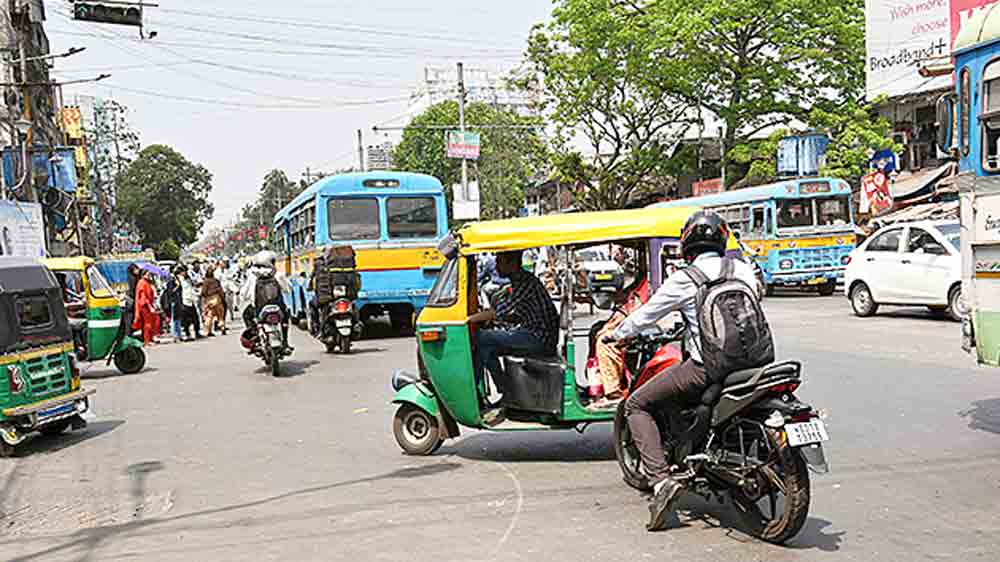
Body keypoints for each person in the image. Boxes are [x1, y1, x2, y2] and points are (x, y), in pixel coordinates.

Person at [609, 210, 759, 532]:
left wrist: (618, 334)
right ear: (721, 240)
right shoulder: (743, 270)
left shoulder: (686, 278)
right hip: (754, 363)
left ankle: (662, 483)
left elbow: (647, 314)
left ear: (687, 243)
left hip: (707, 369)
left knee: (636, 404)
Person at [468, 250, 560, 425]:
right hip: (536, 332)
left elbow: (498, 311)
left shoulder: (524, 282)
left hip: (539, 338)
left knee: (484, 339)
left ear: (511, 263)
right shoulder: (519, 281)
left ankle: (501, 391)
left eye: (500, 261)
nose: (495, 266)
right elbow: (515, 312)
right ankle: (506, 393)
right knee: (488, 345)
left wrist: (468, 319)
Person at [588, 275, 650, 408]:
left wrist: (610, 329)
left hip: (636, 326)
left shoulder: (648, 283)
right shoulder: (638, 282)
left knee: (604, 342)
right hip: (629, 321)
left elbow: (632, 311)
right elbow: (623, 299)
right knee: (596, 330)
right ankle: (598, 385)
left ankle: (613, 393)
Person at [239, 250, 292, 349]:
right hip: (278, 307)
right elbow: (287, 289)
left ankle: (256, 336)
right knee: (285, 318)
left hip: (259, 308)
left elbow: (244, 294)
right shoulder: (278, 274)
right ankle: (285, 342)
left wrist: (244, 297)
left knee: (246, 315)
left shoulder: (253, 276)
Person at [132, 271, 161, 346]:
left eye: (150, 274)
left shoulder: (147, 282)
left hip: (149, 304)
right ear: (143, 274)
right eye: (147, 274)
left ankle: (150, 339)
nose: (149, 275)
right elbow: (143, 296)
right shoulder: (142, 283)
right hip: (145, 306)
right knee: (147, 324)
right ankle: (147, 341)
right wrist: (150, 306)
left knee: (152, 322)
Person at [200, 269, 227, 336]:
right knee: (220, 315)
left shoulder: (205, 282)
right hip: (217, 299)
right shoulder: (216, 281)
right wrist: (223, 299)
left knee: (209, 316)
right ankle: (222, 327)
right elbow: (220, 290)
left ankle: (208, 331)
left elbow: (203, 292)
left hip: (209, 300)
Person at [163, 266, 185, 341]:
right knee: (174, 319)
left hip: (178, 301)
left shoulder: (177, 280)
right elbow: (170, 292)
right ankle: (175, 336)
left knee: (178, 319)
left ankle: (179, 335)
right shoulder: (170, 280)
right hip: (173, 301)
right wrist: (177, 286)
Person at [180, 268, 202, 340]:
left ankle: (197, 332)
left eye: (185, 271)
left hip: (191, 301)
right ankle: (187, 334)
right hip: (184, 302)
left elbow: (193, 287)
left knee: (195, 318)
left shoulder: (189, 279)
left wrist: (197, 285)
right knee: (186, 320)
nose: (185, 273)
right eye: (183, 272)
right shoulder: (179, 281)